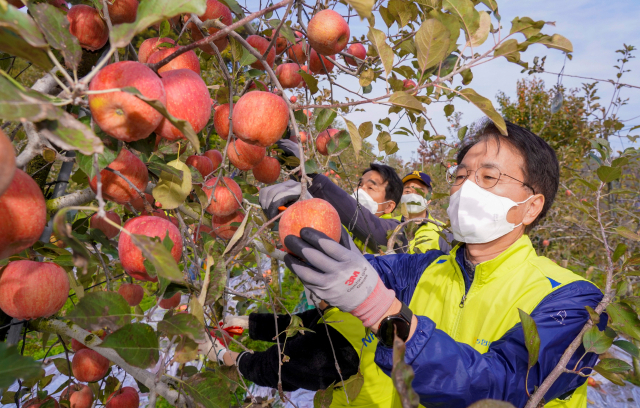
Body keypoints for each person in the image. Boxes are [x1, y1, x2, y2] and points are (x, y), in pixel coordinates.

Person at [281, 120, 604, 408]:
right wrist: (301, 210)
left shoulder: (576, 301)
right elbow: (356, 268)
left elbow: (501, 389)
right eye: (460, 175)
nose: (466, 187)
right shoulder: (421, 269)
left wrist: (383, 311)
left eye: (489, 176)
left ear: (531, 207)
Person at [260, 147, 406, 253]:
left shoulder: (398, 231)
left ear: (389, 206)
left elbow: (372, 229)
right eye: (360, 185)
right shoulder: (346, 229)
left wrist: (314, 180)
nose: (360, 191)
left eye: (370, 188)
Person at [399, 171, 450, 253]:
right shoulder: (391, 225)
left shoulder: (442, 231)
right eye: (407, 192)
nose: (412, 196)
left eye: (419, 192)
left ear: (429, 198)